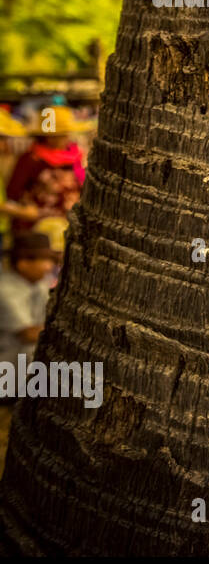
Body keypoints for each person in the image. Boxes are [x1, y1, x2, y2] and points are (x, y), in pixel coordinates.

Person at [5, 105, 93, 234]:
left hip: (71, 226)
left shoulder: (77, 157)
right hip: (38, 230)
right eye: (55, 135)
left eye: (63, 134)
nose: (61, 138)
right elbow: (13, 192)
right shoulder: (31, 159)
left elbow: (83, 184)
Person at [0, 232, 58, 377]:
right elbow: (27, 334)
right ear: (23, 264)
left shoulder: (39, 284)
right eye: (44, 260)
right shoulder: (5, 290)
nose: (49, 266)